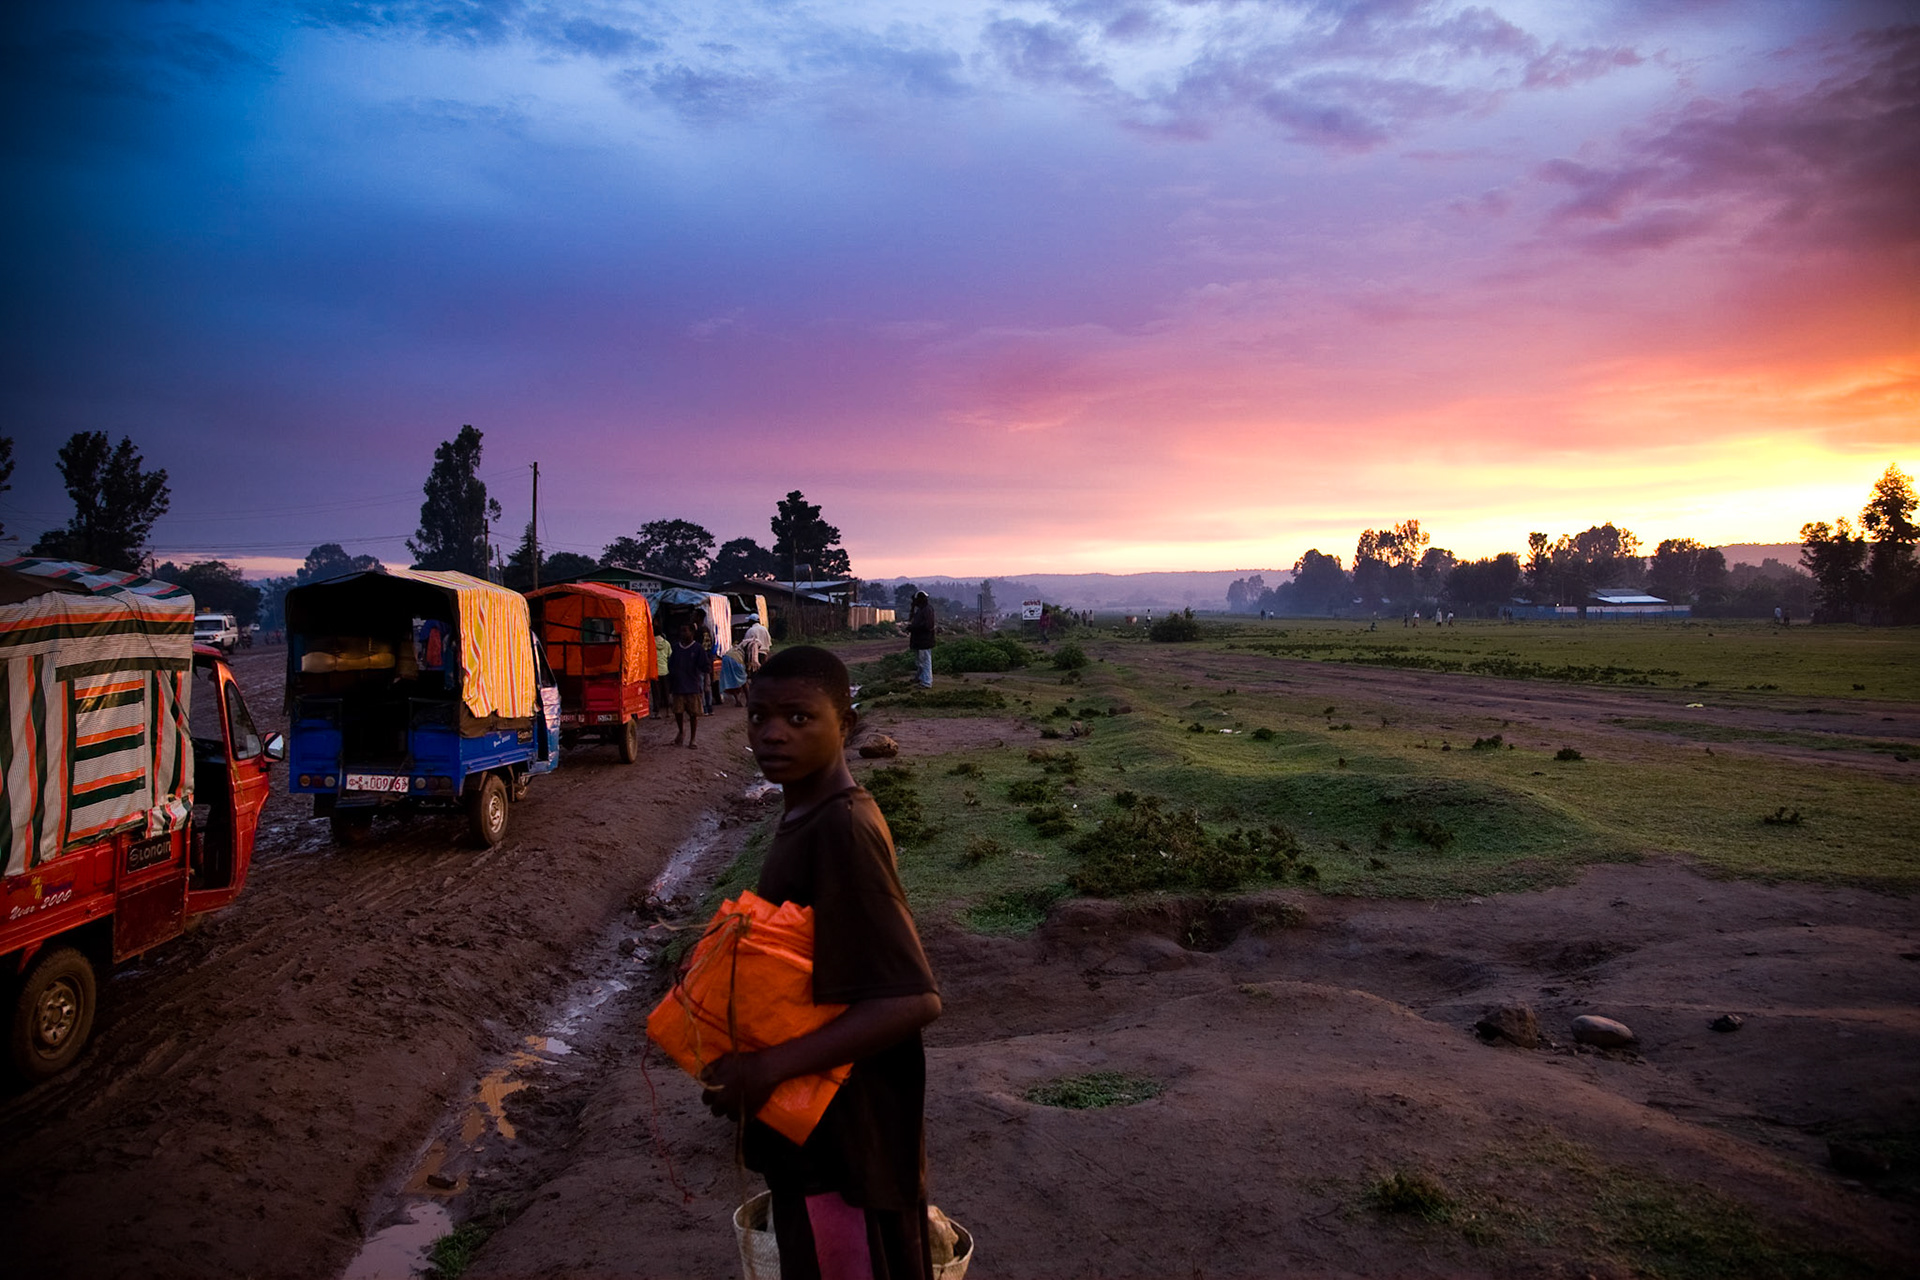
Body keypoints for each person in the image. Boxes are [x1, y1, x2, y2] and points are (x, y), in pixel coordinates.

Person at [702, 646, 942, 1280]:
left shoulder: (842, 829)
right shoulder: (805, 815)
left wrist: (766, 1069)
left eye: (799, 718)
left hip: (847, 1150)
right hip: (815, 1131)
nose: (772, 733)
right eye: (759, 717)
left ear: (847, 724)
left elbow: (911, 999)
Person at [667, 623, 708, 748]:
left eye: (685, 631)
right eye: (681, 631)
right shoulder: (676, 648)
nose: (683, 634)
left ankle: (693, 739)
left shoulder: (698, 649)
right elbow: (671, 666)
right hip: (678, 686)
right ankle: (681, 731)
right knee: (678, 712)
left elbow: (705, 667)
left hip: (692, 686)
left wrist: (706, 684)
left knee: (693, 714)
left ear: (692, 632)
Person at [907, 592, 935, 690]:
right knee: (920, 661)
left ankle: (927, 682)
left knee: (925, 661)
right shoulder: (922, 610)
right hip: (920, 640)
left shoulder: (926, 610)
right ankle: (920, 678)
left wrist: (913, 628)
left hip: (924, 640)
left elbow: (928, 626)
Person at [653, 628, 672, 717]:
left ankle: (657, 712)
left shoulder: (651, 643)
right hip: (665, 670)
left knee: (656, 693)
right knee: (666, 691)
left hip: (655, 671)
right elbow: (670, 655)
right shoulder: (666, 643)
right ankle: (668, 711)